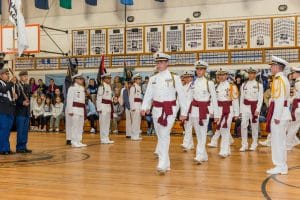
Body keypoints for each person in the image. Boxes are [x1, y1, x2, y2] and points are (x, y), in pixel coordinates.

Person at [141, 52, 187, 175]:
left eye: (162, 62)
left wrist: (184, 112)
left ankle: (162, 162)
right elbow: (148, 95)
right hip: (157, 110)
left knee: (165, 134)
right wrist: (145, 106)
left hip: (169, 110)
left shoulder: (174, 77)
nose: (159, 64)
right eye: (158, 62)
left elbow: (182, 95)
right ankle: (166, 164)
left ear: (167, 63)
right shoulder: (153, 79)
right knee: (160, 135)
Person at [186, 61, 218, 164]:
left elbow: (214, 99)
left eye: (201, 69)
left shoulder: (209, 83)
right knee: (198, 134)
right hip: (194, 110)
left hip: (204, 110)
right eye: (198, 69)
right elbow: (189, 99)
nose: (199, 71)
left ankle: (199, 155)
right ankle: (204, 155)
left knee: (203, 133)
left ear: (205, 70)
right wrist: (185, 112)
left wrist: (216, 114)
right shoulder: (193, 83)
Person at [265, 56, 291, 175]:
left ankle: (280, 165)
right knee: (281, 141)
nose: (271, 67)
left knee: (277, 141)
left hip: (279, 115)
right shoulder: (283, 79)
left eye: (272, 66)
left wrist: (276, 116)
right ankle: (282, 165)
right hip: (283, 113)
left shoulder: (279, 79)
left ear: (277, 67)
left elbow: (279, 99)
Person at [214, 68, 239, 158]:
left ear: (227, 75)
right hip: (218, 110)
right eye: (219, 75)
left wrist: (236, 113)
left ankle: (223, 150)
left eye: (223, 75)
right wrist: (212, 112)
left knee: (225, 129)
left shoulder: (232, 86)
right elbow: (213, 100)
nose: (221, 77)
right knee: (221, 129)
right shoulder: (215, 86)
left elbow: (235, 100)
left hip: (228, 109)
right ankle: (227, 150)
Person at [239, 68, 263, 152]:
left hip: (254, 106)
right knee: (243, 125)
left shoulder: (259, 85)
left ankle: (254, 143)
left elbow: (260, 98)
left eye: (252, 73)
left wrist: (258, 109)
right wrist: (241, 111)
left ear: (255, 74)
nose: (250, 75)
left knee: (254, 126)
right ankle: (244, 144)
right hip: (245, 107)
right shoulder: (244, 84)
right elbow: (241, 98)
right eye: (249, 73)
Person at [66, 73, 87, 148]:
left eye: (82, 79)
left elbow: (83, 101)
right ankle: (74, 141)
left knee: (80, 126)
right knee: (74, 126)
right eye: (80, 79)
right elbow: (69, 100)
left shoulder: (82, 88)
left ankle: (79, 141)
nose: (82, 80)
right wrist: (70, 110)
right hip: (74, 109)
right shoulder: (72, 88)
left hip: (81, 109)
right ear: (76, 79)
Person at [0, 64, 16, 155]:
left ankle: (6, 147)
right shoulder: (1, 84)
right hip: (2, 110)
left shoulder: (8, 84)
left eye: (8, 74)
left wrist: (14, 96)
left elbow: (9, 95)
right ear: (1, 75)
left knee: (7, 130)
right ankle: (2, 148)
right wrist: (11, 83)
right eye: (6, 74)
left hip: (9, 109)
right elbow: (3, 90)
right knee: (3, 129)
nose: (8, 75)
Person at [15, 71, 32, 153]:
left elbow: (29, 97)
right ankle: (19, 147)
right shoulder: (17, 86)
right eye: (24, 76)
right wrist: (22, 103)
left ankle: (24, 146)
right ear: (20, 77)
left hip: (26, 111)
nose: (26, 77)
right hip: (20, 111)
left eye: (26, 76)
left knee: (25, 130)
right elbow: (15, 99)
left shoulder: (28, 86)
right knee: (20, 130)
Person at [96, 73, 114, 144]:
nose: (109, 79)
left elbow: (110, 98)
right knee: (103, 123)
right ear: (103, 79)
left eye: (109, 78)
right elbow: (99, 98)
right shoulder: (101, 86)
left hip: (108, 106)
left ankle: (106, 138)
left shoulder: (109, 87)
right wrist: (99, 108)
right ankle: (103, 138)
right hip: (103, 106)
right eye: (107, 78)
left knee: (107, 124)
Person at [286, 67, 300, 150]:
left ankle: (288, 144)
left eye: (294, 73)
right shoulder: (297, 82)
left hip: (298, 106)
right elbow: (295, 95)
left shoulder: (298, 83)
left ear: (298, 73)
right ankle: (291, 142)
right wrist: (290, 100)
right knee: (293, 126)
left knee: (293, 126)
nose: (293, 74)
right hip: (297, 105)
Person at [181, 71, 195, 151]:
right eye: (185, 77)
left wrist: (185, 112)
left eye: (188, 77)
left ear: (191, 77)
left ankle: (186, 143)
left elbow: (189, 99)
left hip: (192, 109)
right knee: (187, 126)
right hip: (185, 109)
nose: (186, 78)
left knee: (188, 126)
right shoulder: (184, 86)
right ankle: (190, 144)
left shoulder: (193, 86)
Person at [130, 73, 143, 141]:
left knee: (138, 122)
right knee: (135, 122)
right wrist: (132, 107)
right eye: (138, 79)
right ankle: (133, 135)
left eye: (140, 79)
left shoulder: (139, 87)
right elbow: (131, 98)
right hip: (135, 106)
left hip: (139, 106)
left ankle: (137, 135)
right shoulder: (133, 87)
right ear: (135, 80)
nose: (140, 80)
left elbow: (140, 98)